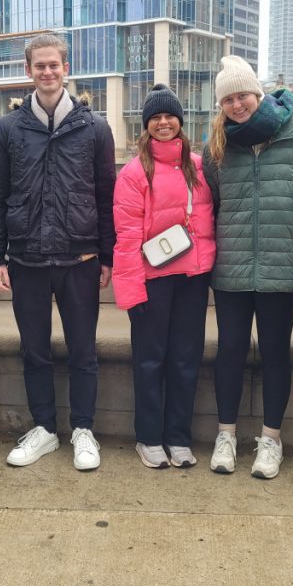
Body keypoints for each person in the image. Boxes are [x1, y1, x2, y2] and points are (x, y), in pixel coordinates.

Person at [0, 33, 116, 471]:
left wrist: (108, 256)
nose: (47, 71)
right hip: (27, 259)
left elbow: (106, 196)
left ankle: (83, 430)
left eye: (54, 64)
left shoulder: (95, 128)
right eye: (39, 65)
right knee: (34, 351)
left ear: (66, 68)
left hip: (80, 258)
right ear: (28, 71)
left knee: (83, 351)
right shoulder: (8, 129)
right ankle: (44, 429)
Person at [203, 55, 293, 479]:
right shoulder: (217, 145)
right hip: (232, 266)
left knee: (276, 352)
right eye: (228, 100)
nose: (237, 105)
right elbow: (212, 203)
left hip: (283, 264)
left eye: (243, 96)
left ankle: (271, 439)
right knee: (230, 351)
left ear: (258, 94)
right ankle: (225, 435)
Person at [112, 84, 216, 469]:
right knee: (149, 361)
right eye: (155, 117)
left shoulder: (200, 167)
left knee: (186, 360)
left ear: (180, 121)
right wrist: (130, 292)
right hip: (152, 280)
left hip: (192, 278)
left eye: (169, 115)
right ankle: (149, 437)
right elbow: (126, 236)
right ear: (146, 125)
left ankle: (178, 437)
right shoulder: (134, 172)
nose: (163, 122)